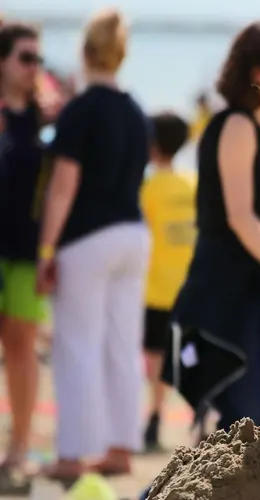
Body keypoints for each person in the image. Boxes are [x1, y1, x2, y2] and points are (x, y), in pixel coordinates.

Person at [161, 21, 260, 437]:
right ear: (255, 70)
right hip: (221, 291)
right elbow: (239, 216)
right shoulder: (235, 124)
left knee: (254, 416)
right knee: (238, 419)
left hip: (251, 292)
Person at [36, 8, 151, 480]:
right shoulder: (136, 109)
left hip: (88, 236)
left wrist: (46, 251)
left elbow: (63, 187)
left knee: (76, 345)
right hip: (133, 232)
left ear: (85, 53)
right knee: (123, 345)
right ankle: (122, 449)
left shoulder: (81, 109)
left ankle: (70, 456)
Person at [0, 22, 48, 490]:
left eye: (40, 59)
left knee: (21, 348)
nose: (36, 67)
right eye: (26, 57)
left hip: (26, 251)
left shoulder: (44, 115)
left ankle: (17, 449)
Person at [141, 112, 195, 451]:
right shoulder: (194, 183)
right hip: (190, 287)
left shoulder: (146, 187)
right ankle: (199, 418)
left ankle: (155, 415)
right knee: (192, 356)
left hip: (155, 288)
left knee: (155, 358)